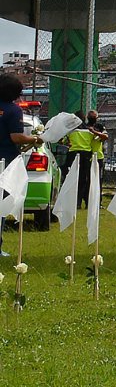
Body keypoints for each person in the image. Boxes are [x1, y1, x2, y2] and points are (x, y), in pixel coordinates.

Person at [0, 72, 42, 257]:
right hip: (5, 162)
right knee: (2, 204)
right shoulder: (13, 110)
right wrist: (34, 138)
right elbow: (16, 137)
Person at [65, 112, 95, 207]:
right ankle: (78, 202)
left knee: (70, 177)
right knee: (83, 179)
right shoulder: (89, 130)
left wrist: (67, 143)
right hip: (86, 155)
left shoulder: (70, 130)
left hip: (73, 154)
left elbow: (62, 140)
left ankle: (70, 200)